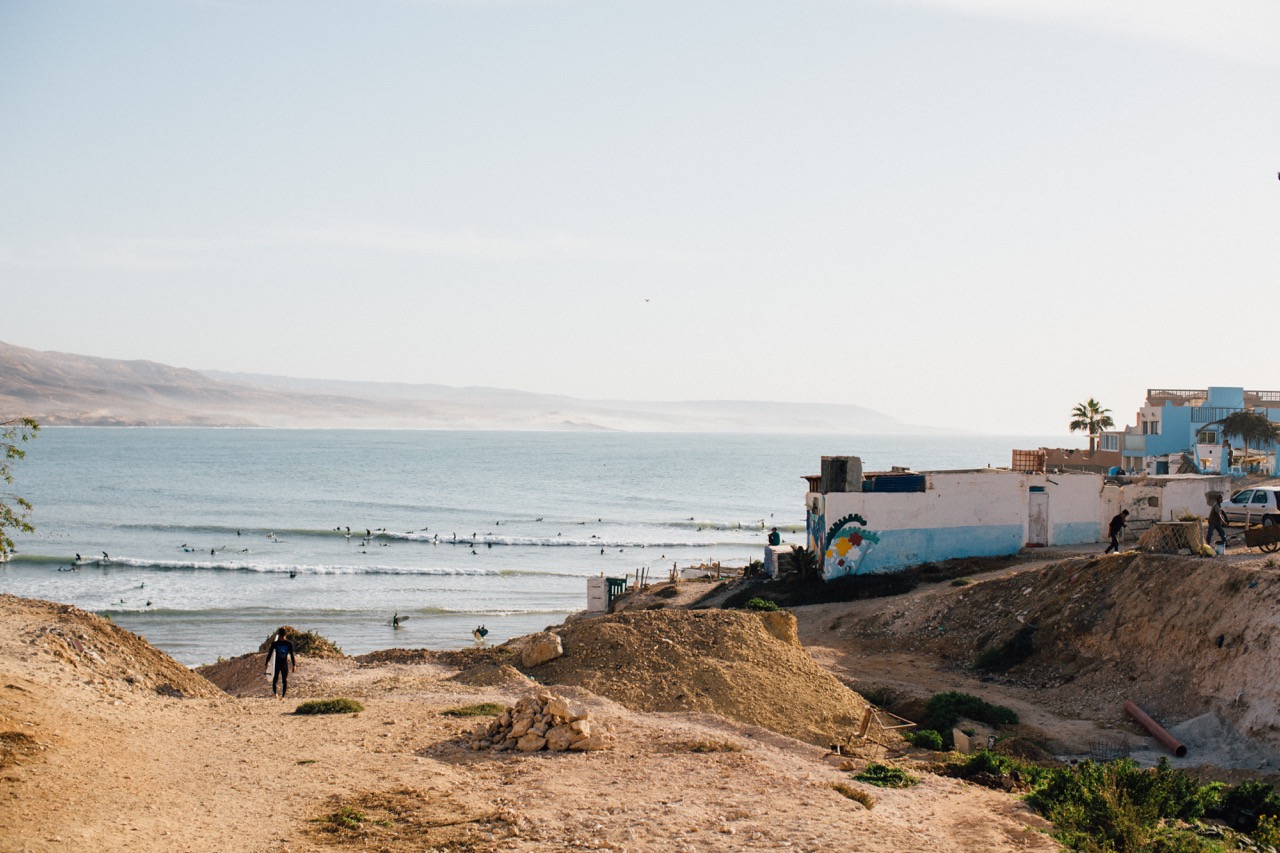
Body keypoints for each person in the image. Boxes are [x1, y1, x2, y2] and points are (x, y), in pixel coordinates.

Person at [264, 627, 297, 699]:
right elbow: (292, 655)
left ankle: (276, 694)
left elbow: (269, 654)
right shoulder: (289, 644)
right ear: (286, 634)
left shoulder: (275, 644)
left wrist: (266, 663)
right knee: (284, 680)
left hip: (277, 664)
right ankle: (282, 696)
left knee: (276, 679)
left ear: (278, 634)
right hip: (284, 664)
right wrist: (294, 665)